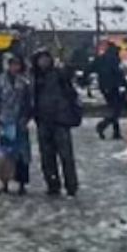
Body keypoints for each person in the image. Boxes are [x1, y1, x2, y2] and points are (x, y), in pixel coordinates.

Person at [31, 49, 80, 197]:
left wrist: (67, 62)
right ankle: (53, 184)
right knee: (47, 156)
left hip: (60, 120)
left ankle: (71, 186)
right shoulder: (35, 77)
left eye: (46, 59)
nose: (43, 62)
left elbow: (69, 74)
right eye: (40, 59)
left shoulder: (59, 74)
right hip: (43, 121)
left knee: (66, 156)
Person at [0, 54, 32, 195]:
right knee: (3, 155)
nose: (15, 67)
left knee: (22, 155)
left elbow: (28, 104)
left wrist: (26, 118)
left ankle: (22, 184)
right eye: (12, 64)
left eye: (17, 64)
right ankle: (4, 183)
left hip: (20, 123)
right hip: (4, 123)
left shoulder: (24, 83)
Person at [87, 43, 126, 140]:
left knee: (114, 108)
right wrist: (124, 84)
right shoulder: (114, 59)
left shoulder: (101, 58)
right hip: (113, 86)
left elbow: (90, 68)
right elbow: (118, 73)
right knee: (116, 109)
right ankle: (103, 126)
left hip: (104, 86)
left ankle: (115, 132)